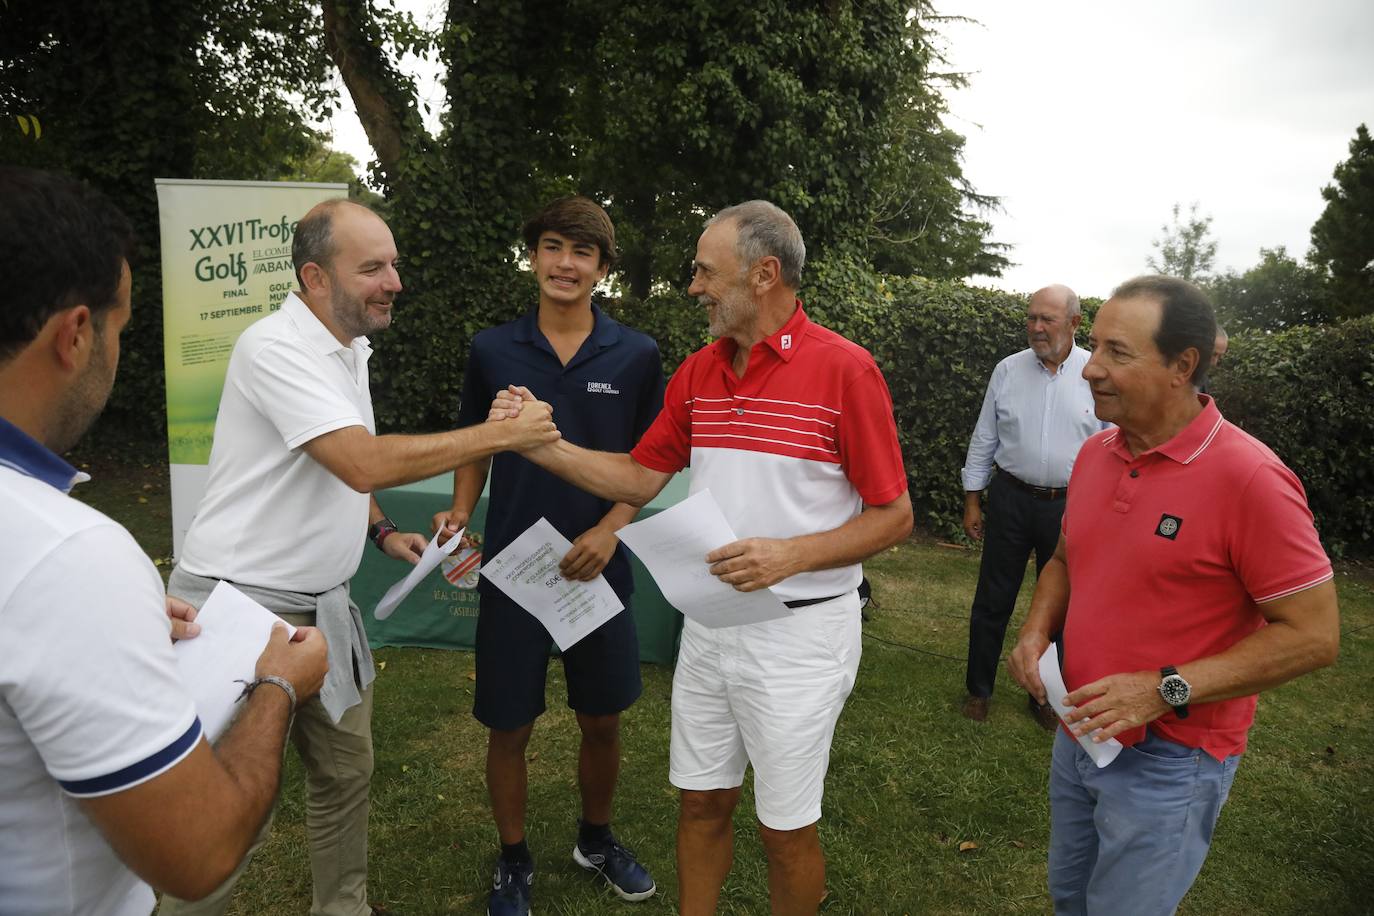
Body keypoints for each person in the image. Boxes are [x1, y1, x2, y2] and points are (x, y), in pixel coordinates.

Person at [491, 200, 912, 915]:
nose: (694, 287)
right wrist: (544, 446)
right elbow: (638, 478)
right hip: (712, 627)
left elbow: (895, 515)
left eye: (706, 272)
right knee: (699, 806)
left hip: (801, 637)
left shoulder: (846, 370)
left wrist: (792, 554)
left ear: (766, 273)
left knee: (784, 832)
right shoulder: (699, 372)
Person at [159, 199, 560, 916]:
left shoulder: (347, 347)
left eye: (395, 263)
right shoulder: (275, 347)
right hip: (241, 608)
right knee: (219, 809)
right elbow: (357, 458)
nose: (394, 282)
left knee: (346, 771)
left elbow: (334, 465)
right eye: (372, 267)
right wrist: (500, 437)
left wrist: (379, 531)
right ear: (315, 277)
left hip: (327, 604)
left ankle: (342, 908)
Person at [0, 166, 329, 914]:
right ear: (75, 335)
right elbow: (198, 851)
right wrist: (277, 684)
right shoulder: (67, 554)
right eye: (120, 327)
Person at [1006, 275, 1340, 915]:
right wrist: (1036, 630)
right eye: (1095, 346)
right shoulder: (1097, 453)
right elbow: (1067, 558)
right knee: (1069, 899)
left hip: (1174, 758)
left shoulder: (1252, 480)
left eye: (1117, 353)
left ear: (1182, 367)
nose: (1090, 369)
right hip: (1082, 730)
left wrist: (1161, 689)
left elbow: (1315, 636)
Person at [430, 197, 664, 915]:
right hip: (514, 572)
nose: (566, 263)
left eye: (582, 252)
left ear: (602, 267)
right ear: (533, 255)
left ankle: (595, 840)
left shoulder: (637, 354)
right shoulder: (492, 348)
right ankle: (513, 860)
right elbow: (476, 442)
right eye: (554, 247)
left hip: (597, 568)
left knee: (602, 719)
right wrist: (461, 512)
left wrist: (613, 529)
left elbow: (649, 463)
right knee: (511, 725)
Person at [959, 285, 1106, 728]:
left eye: (1048, 320)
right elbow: (985, 436)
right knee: (993, 599)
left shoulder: (1093, 373)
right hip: (1011, 499)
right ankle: (978, 689)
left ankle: (1044, 695)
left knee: (1061, 606)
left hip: (1070, 507)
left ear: (1075, 324)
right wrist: (973, 499)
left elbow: (1110, 442)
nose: (1036, 328)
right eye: (1031, 318)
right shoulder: (1007, 370)